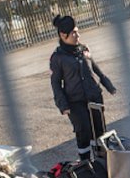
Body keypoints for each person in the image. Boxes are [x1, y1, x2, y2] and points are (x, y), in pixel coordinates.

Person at [49, 15, 116, 161]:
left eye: (77, 31)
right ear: (63, 35)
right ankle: (85, 164)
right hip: (75, 101)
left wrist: (107, 84)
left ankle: (103, 163)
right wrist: (62, 104)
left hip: (94, 96)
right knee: (84, 130)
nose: (77, 35)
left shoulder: (83, 49)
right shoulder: (58, 57)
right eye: (73, 33)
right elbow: (55, 83)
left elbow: (95, 68)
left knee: (99, 130)